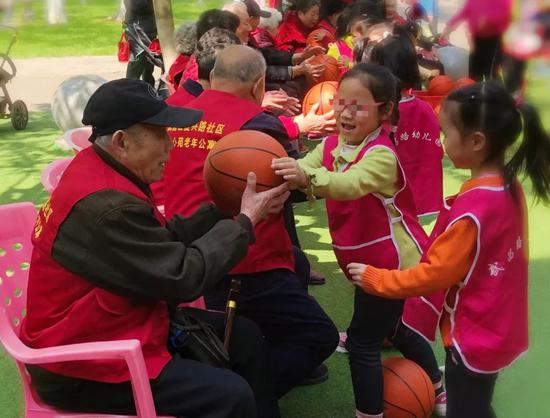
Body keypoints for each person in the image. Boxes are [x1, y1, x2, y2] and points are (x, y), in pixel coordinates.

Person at [21, 78, 290, 418]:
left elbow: (158, 240)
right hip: (81, 364)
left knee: (245, 337)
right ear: (122, 141)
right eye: (161, 134)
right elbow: (182, 275)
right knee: (231, 396)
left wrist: (225, 207)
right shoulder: (107, 206)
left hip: (109, 325)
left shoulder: (100, 168)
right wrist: (245, 223)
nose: (170, 146)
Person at [347, 81, 550, 418]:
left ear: (476, 141)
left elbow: (434, 275)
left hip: (472, 334)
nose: (441, 141)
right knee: (477, 402)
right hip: (500, 323)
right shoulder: (508, 186)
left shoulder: (475, 208)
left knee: (466, 407)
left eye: (446, 133)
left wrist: (376, 279)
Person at [163, 45, 339, 398]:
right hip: (241, 256)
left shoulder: (178, 115)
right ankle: (249, 389)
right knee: (321, 335)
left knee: (300, 263)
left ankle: (261, 354)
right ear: (260, 85)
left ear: (212, 78)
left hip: (183, 245)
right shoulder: (257, 124)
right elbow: (290, 186)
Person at [272, 63, 444, 418]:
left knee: (364, 342)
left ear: (384, 110)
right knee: (394, 327)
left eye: (358, 105)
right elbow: (309, 163)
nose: (345, 113)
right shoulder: (333, 143)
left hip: (392, 262)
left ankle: (369, 413)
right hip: (364, 260)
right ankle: (438, 387)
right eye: (340, 102)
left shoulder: (381, 155)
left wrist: (304, 176)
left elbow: (348, 184)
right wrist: (283, 170)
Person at [369, 26, 443, 217]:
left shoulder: (377, 114)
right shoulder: (425, 109)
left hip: (392, 203)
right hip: (427, 199)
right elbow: (437, 152)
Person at [439, 0, 513, 81]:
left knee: (491, 72)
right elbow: (465, 11)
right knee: (475, 73)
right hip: (477, 39)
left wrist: (488, 20)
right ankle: (476, 91)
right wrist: (448, 28)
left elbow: (508, 15)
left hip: (494, 39)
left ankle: (496, 92)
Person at [124, 0, 157, 85]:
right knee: (136, 65)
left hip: (149, 31)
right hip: (137, 33)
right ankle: (129, 91)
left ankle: (149, 91)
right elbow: (137, 6)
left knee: (148, 66)